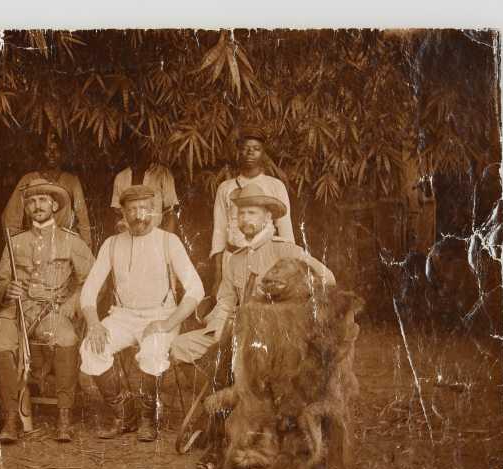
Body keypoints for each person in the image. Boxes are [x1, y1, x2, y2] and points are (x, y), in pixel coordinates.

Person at [80, 185, 204, 442]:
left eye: (145, 209)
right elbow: (89, 289)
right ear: (123, 213)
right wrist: (93, 323)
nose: (139, 216)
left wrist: (166, 323)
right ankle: (125, 415)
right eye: (132, 210)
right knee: (90, 349)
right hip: (123, 315)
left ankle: (148, 418)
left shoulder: (169, 241)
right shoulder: (111, 244)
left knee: (152, 352)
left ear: (155, 211)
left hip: (161, 315)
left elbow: (196, 289)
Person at [172, 183, 336, 365]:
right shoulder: (235, 260)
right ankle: (225, 383)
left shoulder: (285, 250)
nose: (245, 218)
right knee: (180, 345)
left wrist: (297, 310)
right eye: (241, 213)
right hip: (239, 332)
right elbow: (225, 301)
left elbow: (327, 278)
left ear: (267, 217)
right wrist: (217, 329)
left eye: (252, 213)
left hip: (275, 338)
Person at [0, 179, 95, 443]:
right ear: (25, 208)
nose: (37, 206)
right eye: (32, 201)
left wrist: (73, 303)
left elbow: (93, 279)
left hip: (53, 310)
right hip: (18, 311)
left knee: (67, 338)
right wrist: (6, 291)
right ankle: (11, 418)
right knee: (0, 341)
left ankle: (64, 417)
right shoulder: (15, 242)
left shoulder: (71, 241)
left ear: (54, 205)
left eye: (43, 201)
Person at [210, 126, 295, 293]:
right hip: (232, 258)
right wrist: (218, 275)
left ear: (263, 153)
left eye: (256, 149)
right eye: (245, 148)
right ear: (238, 152)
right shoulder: (225, 188)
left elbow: (286, 234)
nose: (250, 153)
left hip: (266, 260)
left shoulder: (275, 186)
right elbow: (219, 232)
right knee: (229, 309)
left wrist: (287, 272)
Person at [2, 135, 93, 247]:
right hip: (34, 242)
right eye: (48, 149)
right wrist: (17, 247)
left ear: (63, 153)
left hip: (63, 243)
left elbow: (83, 219)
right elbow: (11, 218)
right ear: (41, 153)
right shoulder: (28, 180)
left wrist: (85, 249)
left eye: (56, 150)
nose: (52, 154)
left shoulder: (71, 181)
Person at [110, 148, 179, 234]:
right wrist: (123, 238)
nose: (138, 151)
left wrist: (166, 241)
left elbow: (170, 213)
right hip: (129, 238)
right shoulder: (121, 178)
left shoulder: (163, 174)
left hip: (155, 238)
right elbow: (117, 213)